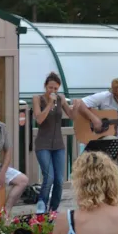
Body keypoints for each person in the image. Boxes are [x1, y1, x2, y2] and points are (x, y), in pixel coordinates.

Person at [73, 78, 118, 195]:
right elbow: (80, 104)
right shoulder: (104, 97)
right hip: (107, 138)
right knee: (111, 165)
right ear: (113, 94)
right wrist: (94, 119)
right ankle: (113, 196)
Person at [32, 72, 74, 214]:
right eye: (50, 88)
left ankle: (53, 210)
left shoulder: (61, 99)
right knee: (49, 177)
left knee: (59, 180)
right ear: (45, 86)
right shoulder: (38, 99)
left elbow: (71, 115)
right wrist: (50, 103)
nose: (53, 91)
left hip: (58, 145)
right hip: (43, 144)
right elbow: (39, 119)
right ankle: (41, 205)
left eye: (56, 88)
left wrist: (79, 106)